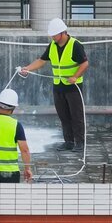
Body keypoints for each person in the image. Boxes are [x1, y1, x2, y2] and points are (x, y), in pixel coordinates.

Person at [19, 18, 89, 153]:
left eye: (54, 35)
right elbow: (42, 60)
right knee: (63, 116)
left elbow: (85, 63)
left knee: (76, 116)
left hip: (73, 88)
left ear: (63, 33)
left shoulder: (75, 45)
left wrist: (75, 76)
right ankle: (68, 142)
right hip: (58, 86)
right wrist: (27, 68)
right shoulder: (52, 45)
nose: (52, 37)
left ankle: (80, 143)